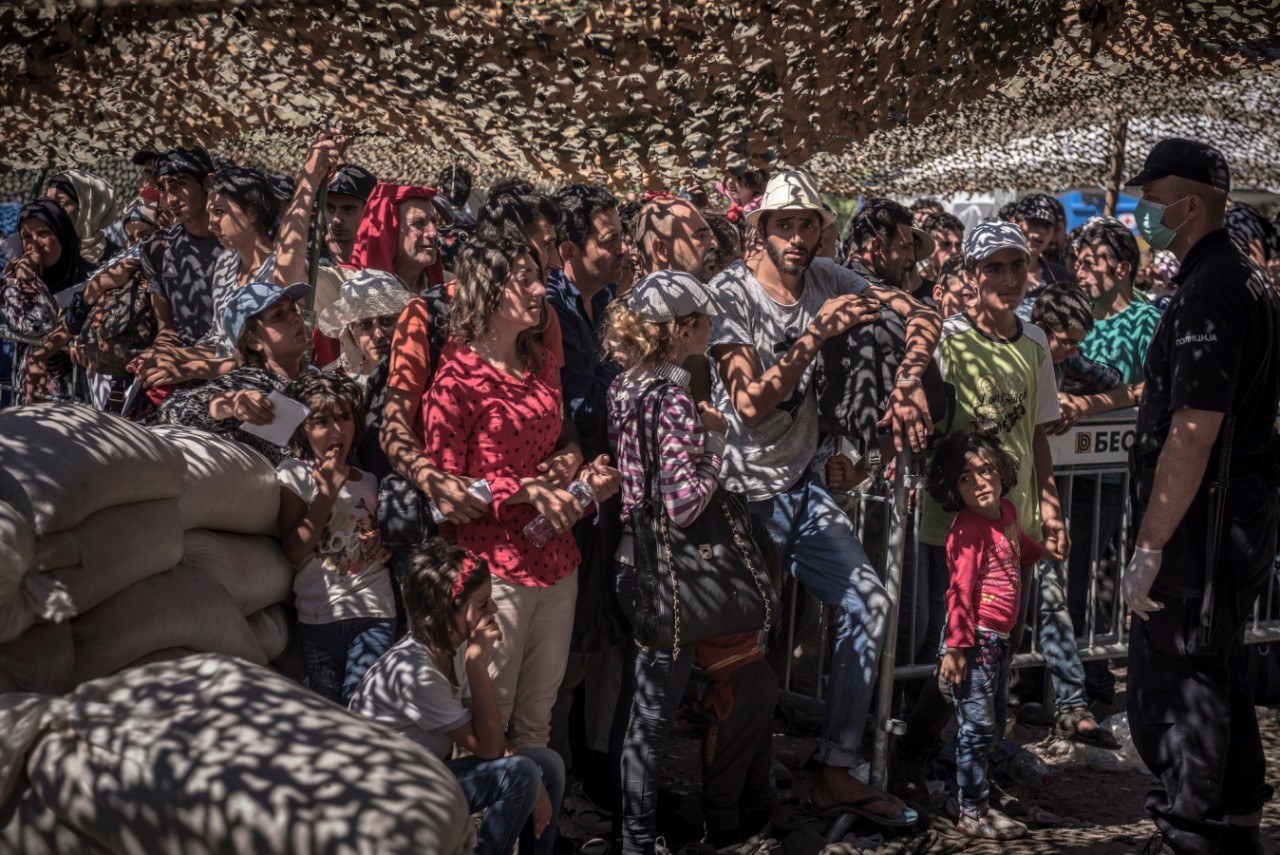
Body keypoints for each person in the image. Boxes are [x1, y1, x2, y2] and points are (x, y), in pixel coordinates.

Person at [710, 169, 939, 826]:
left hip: (801, 486)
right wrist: (814, 335)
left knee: (867, 600)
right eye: (786, 223)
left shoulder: (829, 278)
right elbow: (751, 406)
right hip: (735, 494)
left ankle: (837, 768)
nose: (798, 236)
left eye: (808, 223)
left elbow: (920, 311)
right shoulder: (732, 294)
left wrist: (910, 381)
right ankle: (727, 809)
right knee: (743, 661)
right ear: (762, 229)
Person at [1120, 138, 1280, 855]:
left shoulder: (1216, 288)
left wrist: (1151, 545)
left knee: (1181, 674)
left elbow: (1193, 429)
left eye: (1150, 199)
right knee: (1216, 663)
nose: (1141, 211)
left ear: (1188, 205)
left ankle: (1189, 832)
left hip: (1205, 518)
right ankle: (1239, 816)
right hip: (1228, 510)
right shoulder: (1235, 280)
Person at [892, 221, 1069, 803]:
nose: (1008, 279)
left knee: (998, 651)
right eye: (994, 267)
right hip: (954, 528)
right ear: (971, 276)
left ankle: (973, 771)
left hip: (1014, 528)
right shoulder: (947, 340)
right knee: (957, 649)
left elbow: (1039, 433)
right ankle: (915, 758)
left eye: (1017, 266)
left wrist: (1050, 504)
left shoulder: (1037, 342)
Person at [604, 270, 777, 853]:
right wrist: (715, 441)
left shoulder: (624, 386)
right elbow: (684, 502)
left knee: (642, 709)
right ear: (682, 329)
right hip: (666, 574)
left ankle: (633, 831)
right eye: (704, 318)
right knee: (652, 716)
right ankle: (636, 838)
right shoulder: (673, 396)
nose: (711, 327)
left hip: (634, 562)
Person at [423, 240, 619, 751]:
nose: (539, 289)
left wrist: (575, 461)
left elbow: (557, 438)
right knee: (490, 713)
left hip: (556, 557)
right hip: (492, 570)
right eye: (522, 279)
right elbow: (444, 495)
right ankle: (486, 827)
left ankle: (536, 828)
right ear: (486, 291)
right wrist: (525, 488)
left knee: (538, 718)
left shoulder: (543, 365)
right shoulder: (454, 382)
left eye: (538, 275)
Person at [349, 537, 564, 855]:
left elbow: (486, 732)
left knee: (547, 763)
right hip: (390, 801)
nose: (493, 609)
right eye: (482, 603)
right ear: (449, 608)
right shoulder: (416, 673)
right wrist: (478, 665)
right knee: (521, 774)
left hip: (424, 777)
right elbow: (489, 748)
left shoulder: (451, 646)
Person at [928, 431, 1038, 841]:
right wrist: (957, 646)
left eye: (986, 469)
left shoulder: (1007, 512)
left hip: (997, 642)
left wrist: (1043, 549)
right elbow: (958, 590)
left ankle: (967, 798)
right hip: (974, 642)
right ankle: (972, 813)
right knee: (977, 729)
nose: (980, 483)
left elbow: (1021, 547)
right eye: (966, 478)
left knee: (987, 728)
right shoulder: (965, 529)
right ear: (952, 487)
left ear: (1001, 470)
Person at [278, 372, 395, 704]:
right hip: (318, 616)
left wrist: (382, 542)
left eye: (344, 417)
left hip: (374, 610)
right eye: (321, 421)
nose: (336, 430)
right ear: (303, 429)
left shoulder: (370, 480)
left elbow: (377, 534)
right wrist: (327, 491)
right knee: (330, 710)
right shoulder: (295, 474)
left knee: (361, 705)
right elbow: (294, 549)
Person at [157, 281, 312, 465]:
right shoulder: (247, 381)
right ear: (254, 340)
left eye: (293, 309)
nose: (296, 318)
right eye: (278, 315)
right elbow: (170, 411)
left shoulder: (316, 379)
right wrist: (228, 405)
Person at [315, 269, 414, 382]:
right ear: (352, 333)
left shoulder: (428, 377)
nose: (378, 334)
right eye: (365, 324)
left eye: (387, 321)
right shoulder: (347, 388)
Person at [1013, 193, 1070, 320]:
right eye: (1034, 222)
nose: (1041, 231)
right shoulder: (995, 269)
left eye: (1048, 225)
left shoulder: (1059, 276)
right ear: (1016, 222)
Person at [45, 169, 118, 265]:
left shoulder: (116, 260)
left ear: (87, 208)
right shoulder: (43, 252)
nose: (52, 210)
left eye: (61, 204)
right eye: (48, 202)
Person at [321, 164, 378, 267]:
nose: (336, 219)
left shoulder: (381, 259)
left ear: (369, 210)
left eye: (348, 209)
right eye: (330, 208)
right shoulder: (308, 255)